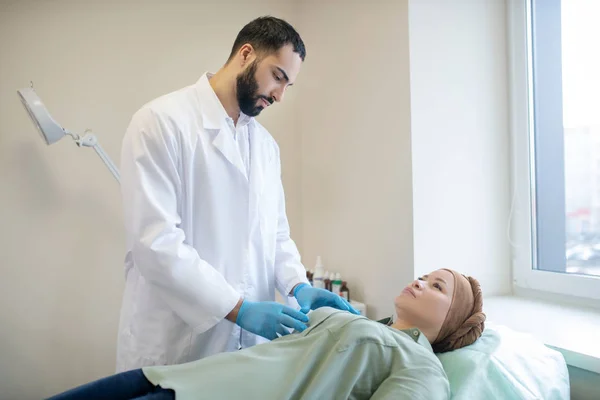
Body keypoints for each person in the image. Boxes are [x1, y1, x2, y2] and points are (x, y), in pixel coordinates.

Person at [115, 15, 358, 372]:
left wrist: (296, 284)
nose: (280, 95)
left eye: (288, 84)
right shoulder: (161, 123)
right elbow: (156, 242)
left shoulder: (265, 147)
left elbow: (275, 235)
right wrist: (238, 307)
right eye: (278, 76)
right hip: (175, 347)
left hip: (244, 356)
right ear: (246, 54)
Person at [47, 269, 486, 400]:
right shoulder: (365, 323)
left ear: (451, 320)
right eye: (425, 275)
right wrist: (299, 291)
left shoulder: (422, 366)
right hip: (185, 377)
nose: (420, 282)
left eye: (437, 287)